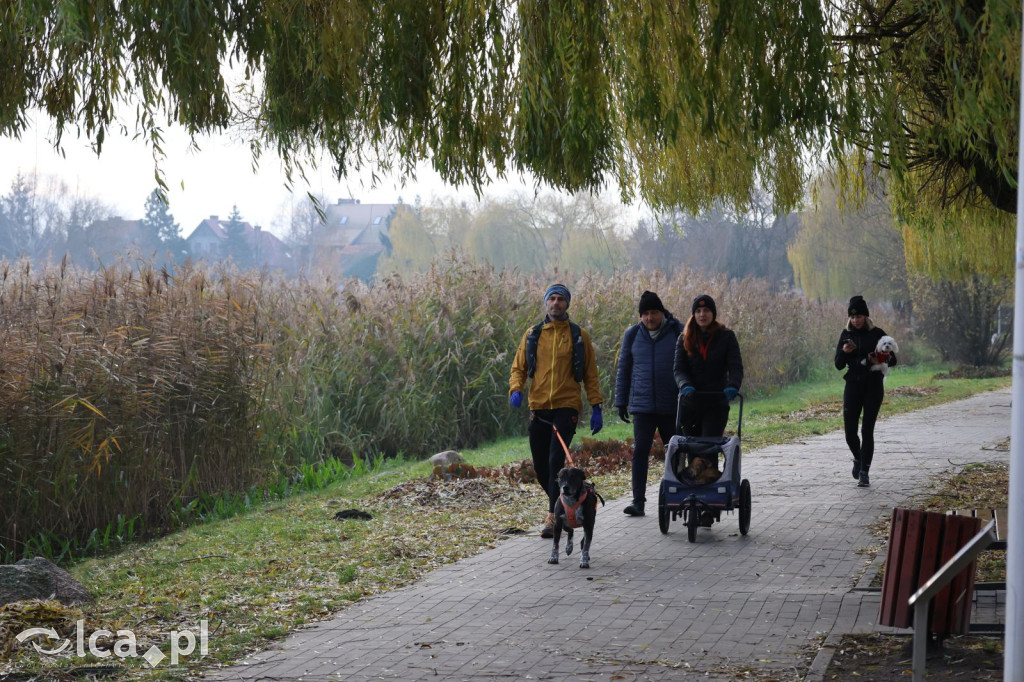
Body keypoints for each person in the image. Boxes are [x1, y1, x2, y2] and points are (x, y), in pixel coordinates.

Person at [509, 284, 604, 537]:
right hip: (539, 407)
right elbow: (518, 367)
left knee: (555, 461)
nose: (556, 303)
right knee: (541, 467)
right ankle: (569, 499)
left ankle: (553, 517)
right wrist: (516, 390)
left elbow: (590, 374)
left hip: (566, 406)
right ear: (546, 303)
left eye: (561, 299)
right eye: (552, 298)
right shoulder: (533, 334)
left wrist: (596, 405)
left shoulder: (578, 335)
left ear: (567, 304)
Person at [614, 291, 684, 517]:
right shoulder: (633, 334)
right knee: (640, 451)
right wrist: (621, 401)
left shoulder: (678, 331)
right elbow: (624, 369)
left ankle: (679, 496)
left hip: (671, 404)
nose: (649, 318)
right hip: (642, 406)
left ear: (661, 312)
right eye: (645, 314)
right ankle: (638, 502)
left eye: (653, 312)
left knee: (675, 451)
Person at [835, 295, 897, 488]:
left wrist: (883, 359)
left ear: (866, 316)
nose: (856, 320)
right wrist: (845, 353)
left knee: (867, 430)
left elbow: (893, 358)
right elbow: (838, 365)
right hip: (853, 385)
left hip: (873, 386)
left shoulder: (878, 334)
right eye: (853, 317)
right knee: (850, 433)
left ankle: (864, 473)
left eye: (859, 316)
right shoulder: (846, 335)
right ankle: (858, 458)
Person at [673, 294, 743, 437]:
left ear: (713, 314)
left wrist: (733, 385)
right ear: (694, 315)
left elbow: (735, 366)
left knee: (709, 447)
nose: (702, 314)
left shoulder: (727, 337)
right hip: (690, 403)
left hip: (716, 403)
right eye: (698, 311)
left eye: (706, 310)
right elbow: (679, 369)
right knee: (692, 449)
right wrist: (684, 384)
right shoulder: (684, 338)